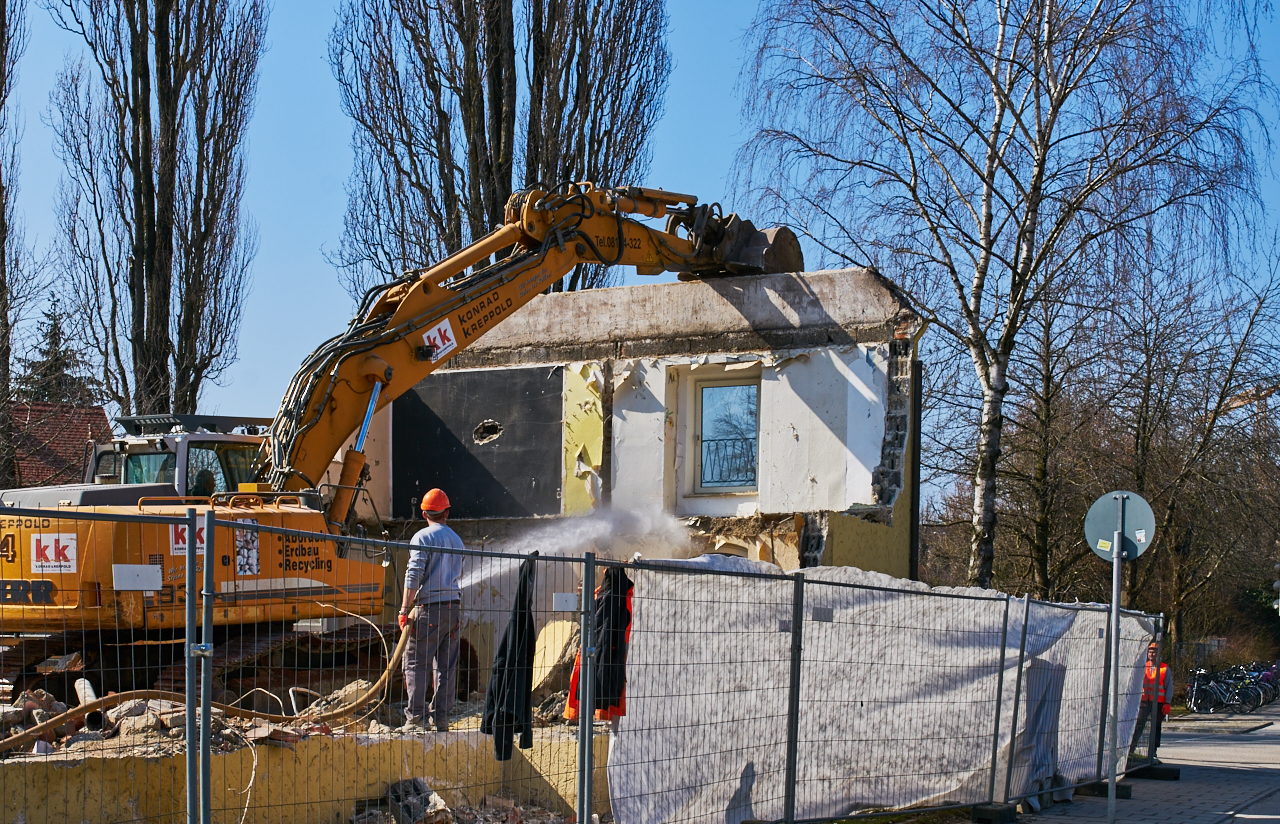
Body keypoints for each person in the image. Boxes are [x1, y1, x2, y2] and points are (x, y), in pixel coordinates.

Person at [398, 488, 465, 732]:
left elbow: (414, 574)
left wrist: (404, 609)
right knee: (446, 667)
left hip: (429, 610)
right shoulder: (457, 540)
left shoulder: (422, 537)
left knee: (416, 663)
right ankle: (441, 719)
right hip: (453, 609)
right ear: (447, 512)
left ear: (424, 513)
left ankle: (416, 719)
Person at [1129, 641, 1169, 754]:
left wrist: (1167, 702)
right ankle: (1131, 748)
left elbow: (1168, 686)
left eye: (1154, 652)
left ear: (1159, 653)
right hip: (1145, 701)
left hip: (1158, 703)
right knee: (1139, 724)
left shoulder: (1164, 668)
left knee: (1156, 726)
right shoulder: (1144, 667)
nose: (1151, 654)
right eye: (1150, 652)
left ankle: (1153, 750)